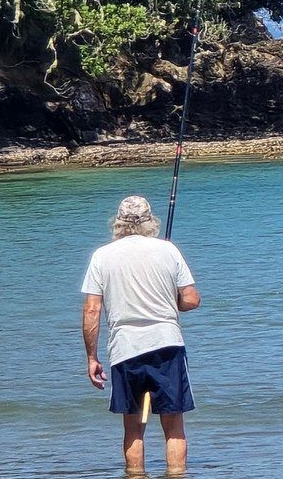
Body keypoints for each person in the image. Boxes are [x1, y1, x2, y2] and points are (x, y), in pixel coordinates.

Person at [81, 196, 201, 474]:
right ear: (150, 221)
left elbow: (91, 310)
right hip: (167, 345)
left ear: (118, 221)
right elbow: (192, 299)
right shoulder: (168, 250)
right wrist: (170, 300)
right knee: (174, 427)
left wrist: (91, 358)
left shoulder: (102, 256)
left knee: (133, 428)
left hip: (125, 349)